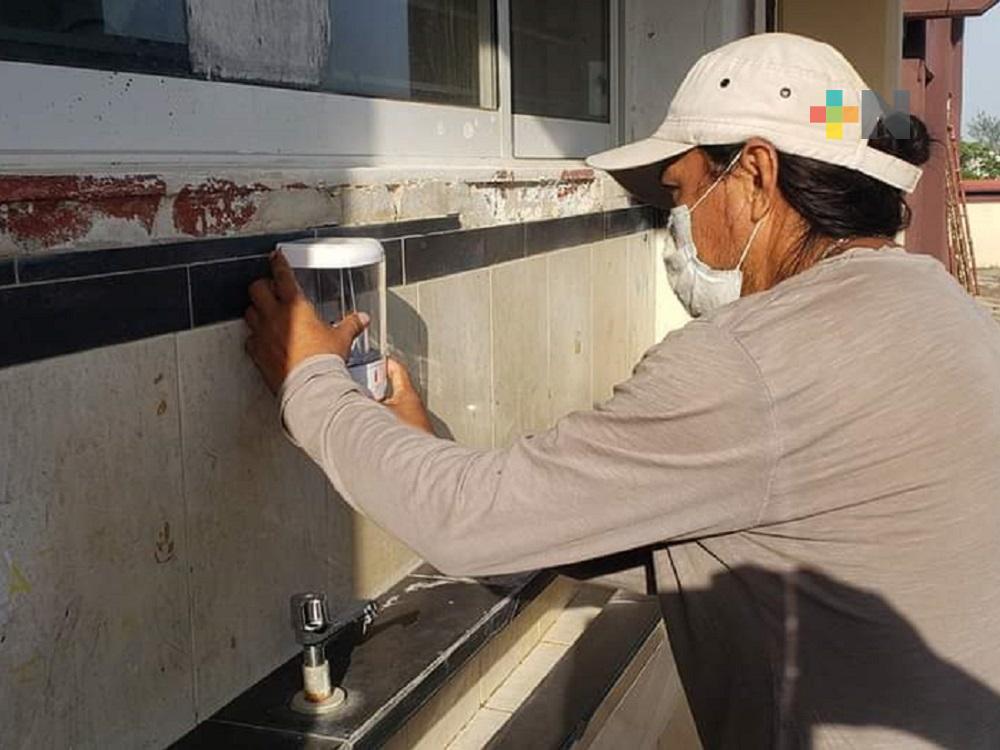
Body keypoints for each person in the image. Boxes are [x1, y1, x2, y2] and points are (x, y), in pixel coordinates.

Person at [245, 34, 1000, 748]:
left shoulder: (751, 365)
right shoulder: (944, 307)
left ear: (755, 176)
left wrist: (308, 379)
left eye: (681, 193)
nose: (677, 226)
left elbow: (465, 521)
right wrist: (428, 450)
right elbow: (688, 531)